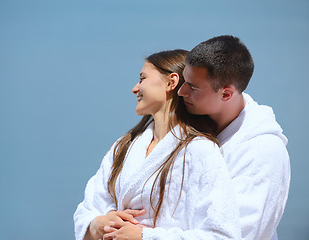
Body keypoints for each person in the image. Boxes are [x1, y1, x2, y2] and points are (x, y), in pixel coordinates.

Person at [74, 50, 241, 240]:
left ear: (171, 82)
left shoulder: (200, 150)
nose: (135, 88)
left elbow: (222, 235)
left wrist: (145, 236)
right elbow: (88, 210)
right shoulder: (124, 147)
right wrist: (98, 224)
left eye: (142, 78)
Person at [177, 35, 291, 240]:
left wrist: (147, 236)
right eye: (184, 80)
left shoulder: (263, 153)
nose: (181, 91)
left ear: (226, 94)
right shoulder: (193, 124)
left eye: (192, 87)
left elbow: (237, 233)